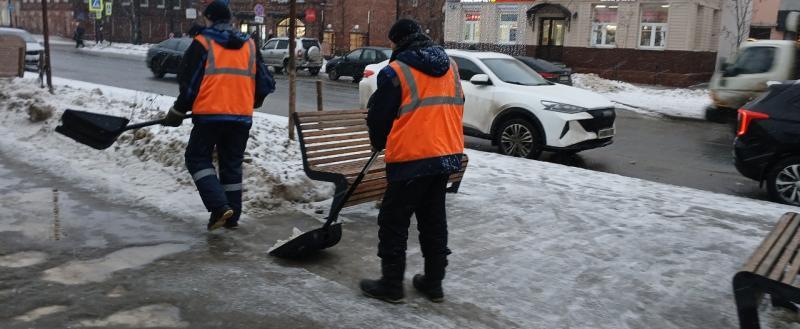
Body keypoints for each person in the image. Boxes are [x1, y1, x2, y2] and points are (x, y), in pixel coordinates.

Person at [360, 18, 464, 304]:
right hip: (445, 154)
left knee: (394, 220)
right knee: (433, 219)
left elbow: (380, 115)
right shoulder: (450, 66)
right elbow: (455, 104)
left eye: (391, 42)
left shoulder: (397, 71)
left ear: (398, 41)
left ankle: (391, 285)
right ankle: (433, 283)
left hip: (412, 158)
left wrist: (379, 140)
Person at [162, 0, 275, 231]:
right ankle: (231, 217)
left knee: (196, 158)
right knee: (231, 164)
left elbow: (190, 84)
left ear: (209, 18)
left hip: (209, 116)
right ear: (231, 20)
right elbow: (265, 83)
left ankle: (219, 206)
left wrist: (178, 110)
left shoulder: (202, 43)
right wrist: (252, 101)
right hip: (241, 117)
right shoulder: (250, 45)